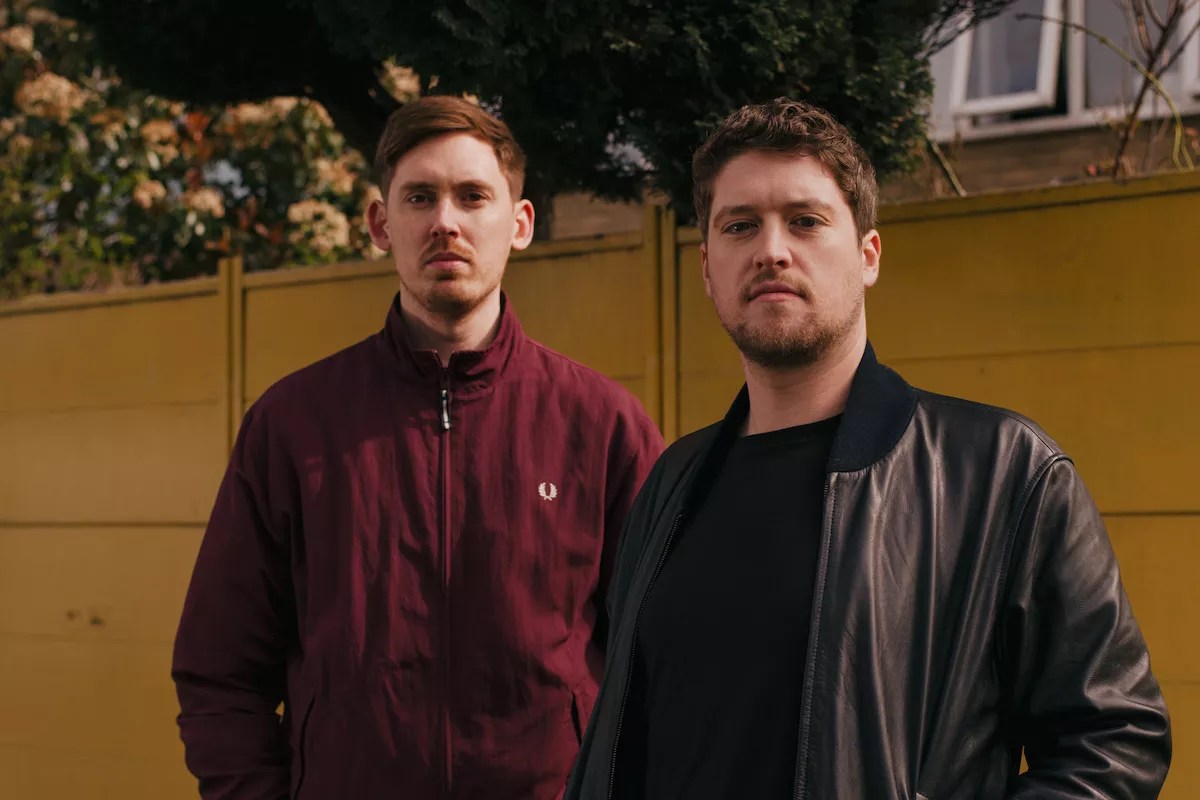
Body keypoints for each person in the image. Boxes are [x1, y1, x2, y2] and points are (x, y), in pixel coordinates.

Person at [565, 98, 1170, 799]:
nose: (771, 249)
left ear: (868, 255)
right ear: (707, 268)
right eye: (739, 225)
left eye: (805, 220)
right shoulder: (673, 483)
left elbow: (1115, 741)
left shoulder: (1003, 472)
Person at [172, 95, 664, 800]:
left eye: (473, 196)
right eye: (420, 197)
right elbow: (220, 670)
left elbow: (666, 662)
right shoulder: (292, 425)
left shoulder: (604, 425)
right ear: (381, 223)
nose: (445, 222)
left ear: (520, 224)